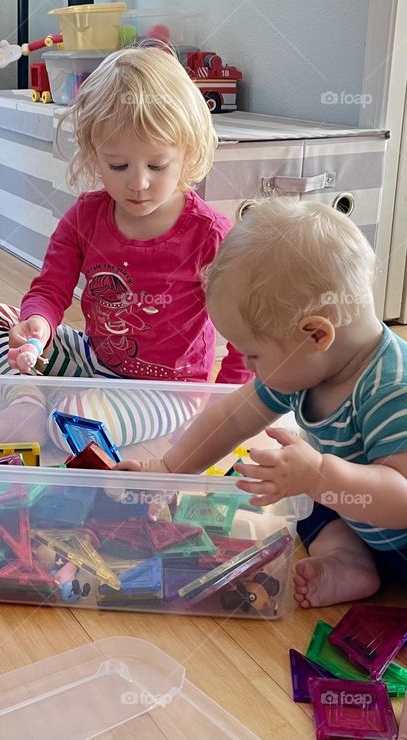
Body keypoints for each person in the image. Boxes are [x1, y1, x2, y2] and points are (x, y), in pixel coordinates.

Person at [119, 198, 407, 609]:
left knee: (310, 487)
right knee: (299, 503)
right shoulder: (304, 369)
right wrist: (168, 470)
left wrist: (321, 476)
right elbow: (232, 416)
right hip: (361, 522)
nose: (248, 366)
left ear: (315, 335)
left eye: (253, 355)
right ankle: (350, 562)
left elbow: (401, 500)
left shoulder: (392, 391)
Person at [0, 46, 249, 450]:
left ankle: (46, 411)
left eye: (157, 166)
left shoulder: (209, 234)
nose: (137, 183)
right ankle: (27, 404)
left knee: (70, 421)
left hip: (168, 392)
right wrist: (39, 325)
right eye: (118, 166)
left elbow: (247, 331)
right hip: (93, 359)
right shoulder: (86, 216)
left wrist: (224, 409)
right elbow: (50, 289)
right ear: (94, 156)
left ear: (186, 153)